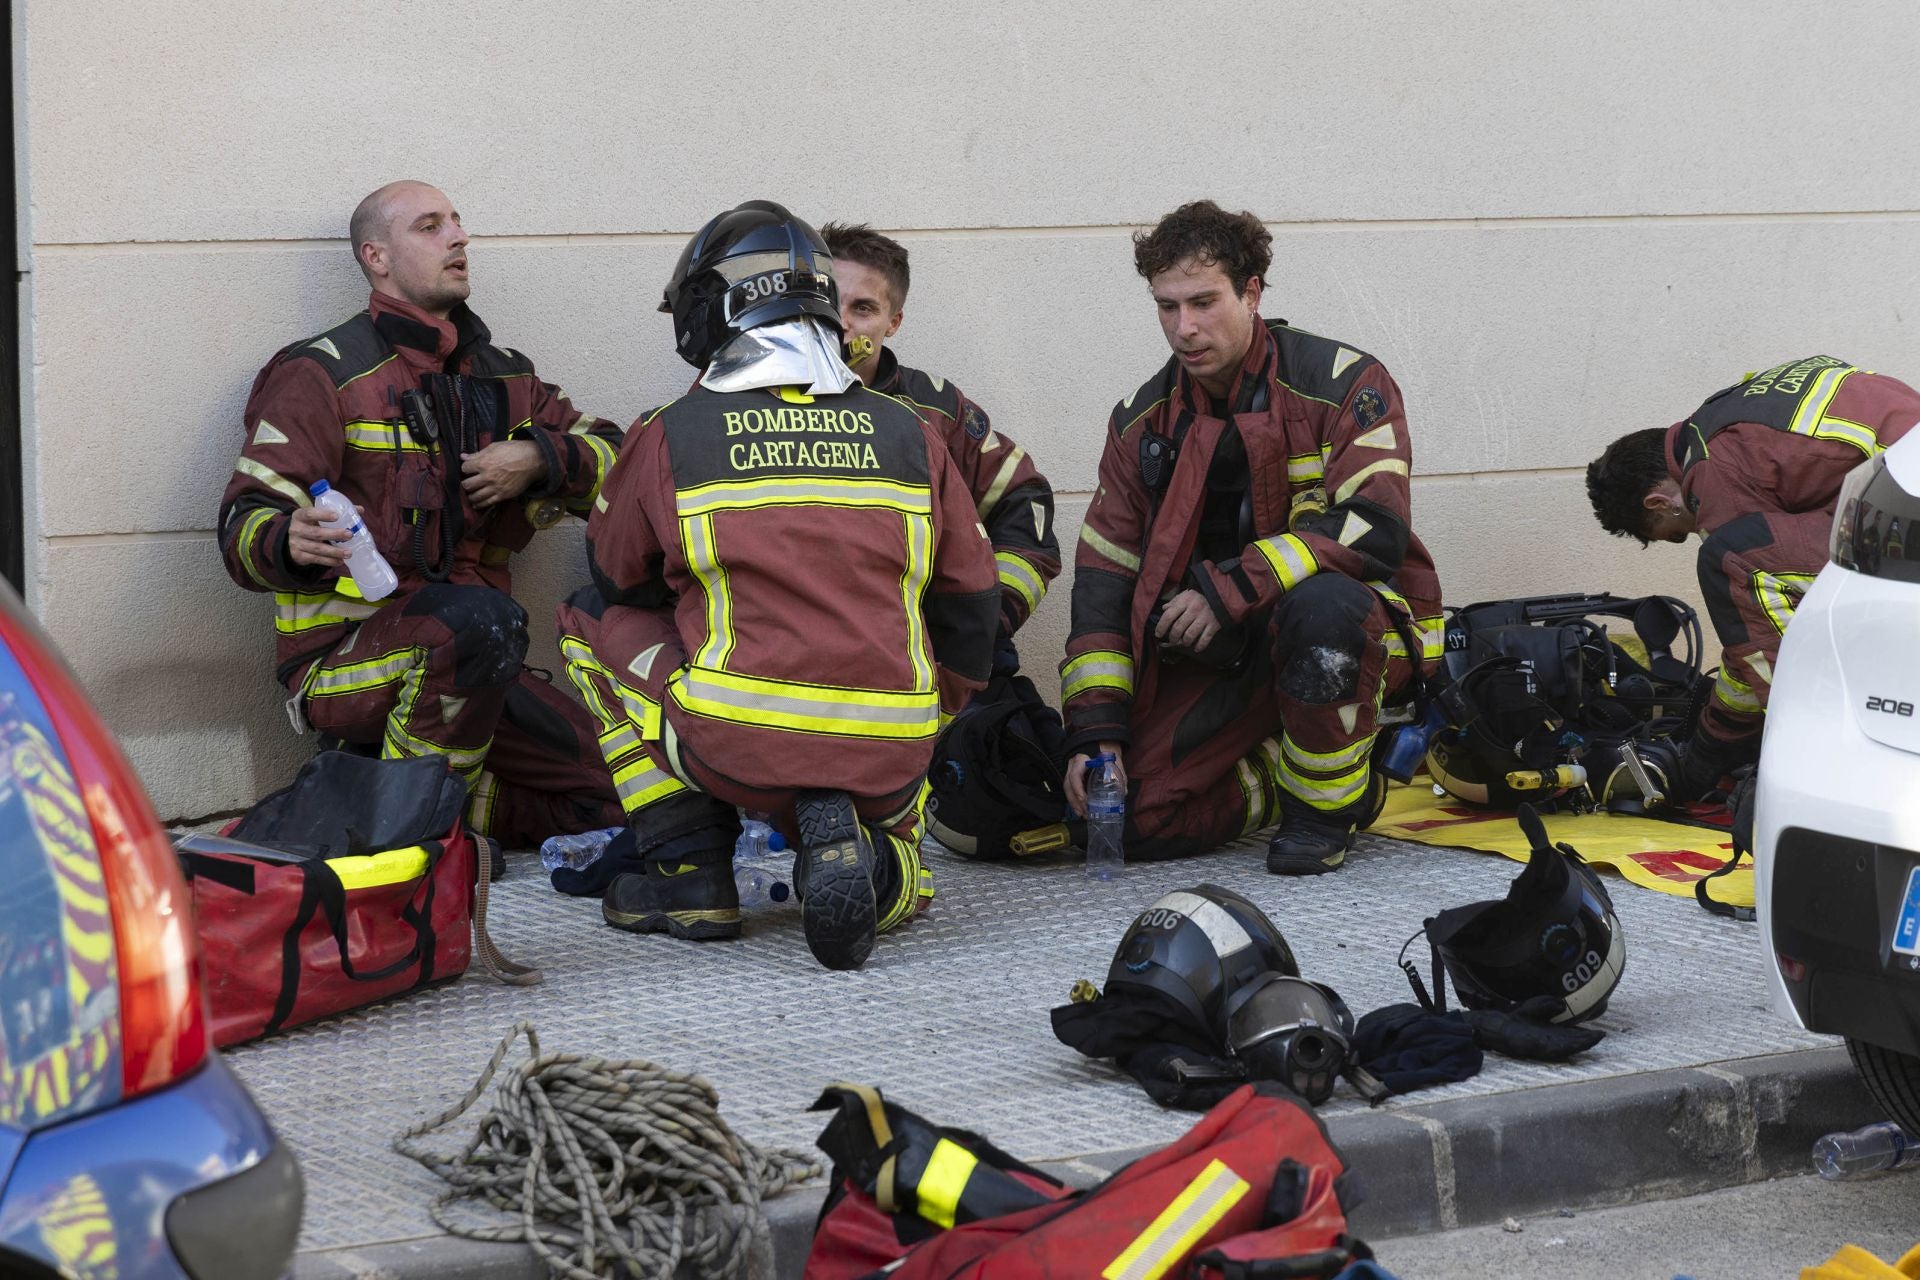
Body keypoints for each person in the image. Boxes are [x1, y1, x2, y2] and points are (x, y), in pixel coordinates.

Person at [555, 201, 998, 970]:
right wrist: (932, 715)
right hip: (892, 751)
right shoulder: (911, 432)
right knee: (900, 871)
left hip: (735, 743)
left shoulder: (674, 432)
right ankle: (883, 864)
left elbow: (616, 573)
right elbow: (971, 600)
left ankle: (687, 875)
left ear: (720, 310)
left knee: (586, 617)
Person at [217, 180, 625, 847]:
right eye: (431, 226)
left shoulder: (504, 376)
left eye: (458, 222)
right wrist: (288, 540)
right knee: (475, 622)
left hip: (480, 663)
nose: (459, 237)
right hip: (344, 664)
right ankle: (405, 842)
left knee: (626, 785)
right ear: (377, 258)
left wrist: (539, 458)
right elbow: (241, 528)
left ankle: (417, 796)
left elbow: (621, 465)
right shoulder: (321, 373)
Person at [1059, 200, 1442, 874]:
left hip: (1354, 635)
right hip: (1226, 657)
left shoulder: (1345, 384)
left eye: (1204, 302)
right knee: (1123, 820)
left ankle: (1327, 809)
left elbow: (1376, 529)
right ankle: (1303, 765)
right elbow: (1103, 584)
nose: (1185, 327)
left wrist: (1233, 587)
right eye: (1167, 307)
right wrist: (1097, 732)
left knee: (1322, 608)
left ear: (1252, 292)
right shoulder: (1140, 423)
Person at [1585, 355, 1920, 798]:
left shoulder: (1711, 471)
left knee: (1732, 559)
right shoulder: (1730, 413)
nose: (1688, 536)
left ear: (1657, 502)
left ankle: (1823, 747)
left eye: (1673, 534)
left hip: (1908, 509)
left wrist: (1707, 748)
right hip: (1904, 493)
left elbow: (1758, 649)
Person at [819, 222, 1061, 663]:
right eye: (830, 303)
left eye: (864, 308)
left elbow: (1023, 500)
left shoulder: (936, 408)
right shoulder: (757, 399)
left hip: (925, 666)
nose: (842, 325)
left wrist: (984, 620)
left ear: (893, 323)